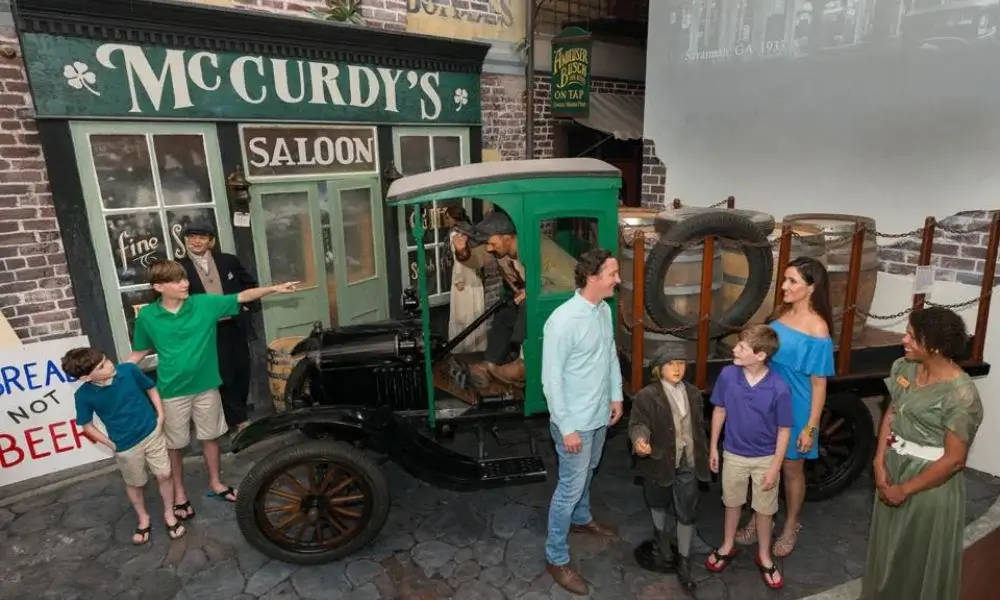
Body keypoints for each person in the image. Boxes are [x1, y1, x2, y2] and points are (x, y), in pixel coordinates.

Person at [126, 259, 297, 522]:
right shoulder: (148, 316)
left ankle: (216, 484)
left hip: (207, 387)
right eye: (176, 280)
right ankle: (180, 494)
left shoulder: (203, 304)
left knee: (211, 437)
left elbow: (241, 296)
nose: (185, 283)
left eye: (184, 278)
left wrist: (274, 289)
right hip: (172, 391)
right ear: (159, 286)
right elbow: (139, 352)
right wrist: (113, 375)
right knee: (175, 446)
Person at [863, 307, 983, 600]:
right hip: (893, 467)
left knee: (915, 555)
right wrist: (879, 461)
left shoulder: (961, 395)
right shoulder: (903, 367)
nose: (904, 339)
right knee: (887, 549)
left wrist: (904, 489)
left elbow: (955, 460)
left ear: (936, 347)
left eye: (913, 337)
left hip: (929, 484)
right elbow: (892, 411)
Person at [735, 256, 835, 557]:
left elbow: (819, 384)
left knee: (792, 469)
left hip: (797, 409)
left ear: (812, 287)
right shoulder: (781, 313)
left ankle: (791, 525)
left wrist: (811, 427)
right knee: (763, 465)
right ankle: (759, 516)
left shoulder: (818, 328)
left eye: (792, 281)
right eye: (785, 279)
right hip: (767, 403)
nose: (784, 286)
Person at [541, 247, 624, 596]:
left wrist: (617, 395)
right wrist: (568, 427)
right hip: (573, 423)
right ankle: (556, 557)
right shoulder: (562, 321)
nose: (618, 280)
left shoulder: (603, 310)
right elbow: (551, 380)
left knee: (589, 470)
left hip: (598, 416)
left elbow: (609, 355)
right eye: (612, 274)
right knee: (568, 489)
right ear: (592, 278)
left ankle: (581, 518)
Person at [62, 347, 187, 545]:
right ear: (86, 377)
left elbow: (151, 387)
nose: (110, 365)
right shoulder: (84, 396)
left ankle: (169, 514)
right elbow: (87, 425)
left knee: (164, 474)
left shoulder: (128, 371)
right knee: (135, 483)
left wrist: (160, 416)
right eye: (101, 366)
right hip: (125, 446)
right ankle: (143, 518)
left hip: (151, 432)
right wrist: (111, 444)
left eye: (107, 358)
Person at [706, 324, 792, 589]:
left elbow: (784, 430)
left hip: (766, 458)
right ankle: (728, 543)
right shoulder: (728, 375)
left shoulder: (779, 388)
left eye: (742, 347)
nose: (734, 349)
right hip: (733, 453)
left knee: (764, 510)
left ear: (760, 355)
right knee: (732, 502)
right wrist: (713, 448)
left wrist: (775, 467)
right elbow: (719, 411)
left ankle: (764, 555)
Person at [455, 210, 578, 387]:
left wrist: (533, 292)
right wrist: (462, 251)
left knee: (528, 307)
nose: (489, 248)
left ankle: (524, 365)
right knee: (504, 316)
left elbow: (570, 284)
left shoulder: (539, 249)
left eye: (491, 243)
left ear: (507, 238)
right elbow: (476, 258)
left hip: (563, 304)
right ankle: (490, 364)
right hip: (540, 301)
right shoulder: (503, 248)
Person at [628, 344, 710, 591]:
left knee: (686, 510)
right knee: (657, 502)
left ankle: (684, 560)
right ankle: (662, 542)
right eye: (671, 364)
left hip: (688, 462)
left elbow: (697, 428)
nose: (677, 369)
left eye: (682, 364)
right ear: (658, 369)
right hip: (659, 462)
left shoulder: (694, 394)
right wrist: (640, 440)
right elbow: (638, 424)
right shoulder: (646, 396)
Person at [178, 220, 259, 431]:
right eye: (191, 237)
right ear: (186, 241)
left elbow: (249, 284)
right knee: (224, 375)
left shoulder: (228, 261)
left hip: (235, 325)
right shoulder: (179, 268)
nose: (196, 241)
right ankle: (238, 422)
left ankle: (237, 415)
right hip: (207, 331)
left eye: (202, 237)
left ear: (211, 241)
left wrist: (247, 307)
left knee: (242, 369)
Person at [443, 205, 488, 353]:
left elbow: (459, 260)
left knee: (464, 314)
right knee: (473, 311)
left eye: (448, 217)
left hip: (463, 276)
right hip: (474, 275)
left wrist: (458, 279)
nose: (446, 220)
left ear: (455, 218)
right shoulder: (471, 230)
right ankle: (477, 347)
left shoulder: (455, 234)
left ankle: (463, 350)